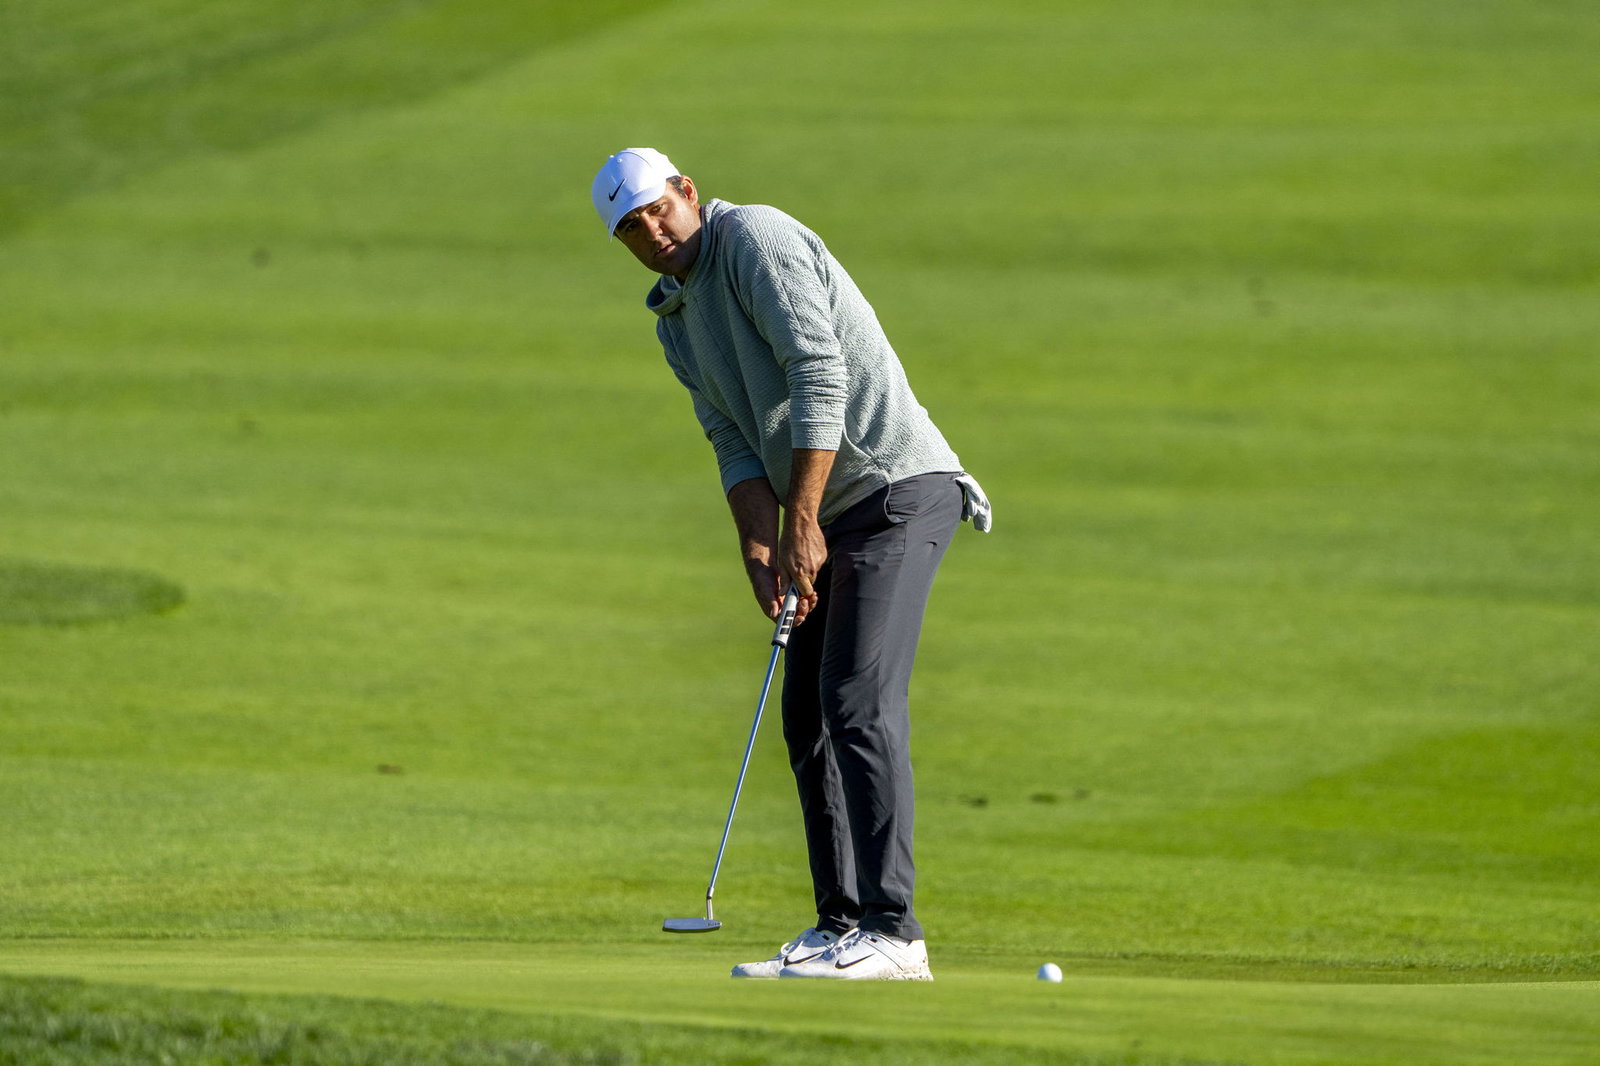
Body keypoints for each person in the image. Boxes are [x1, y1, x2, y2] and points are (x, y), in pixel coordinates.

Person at [591, 147, 991, 981]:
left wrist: (801, 520)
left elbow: (820, 374)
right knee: (806, 717)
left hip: (895, 490)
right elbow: (732, 438)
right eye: (630, 227)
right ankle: (840, 924)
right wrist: (759, 543)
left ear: (687, 192)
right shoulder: (674, 322)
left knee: (855, 699)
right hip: (831, 511)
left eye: (658, 209)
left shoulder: (755, 239)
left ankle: (894, 932)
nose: (652, 231)